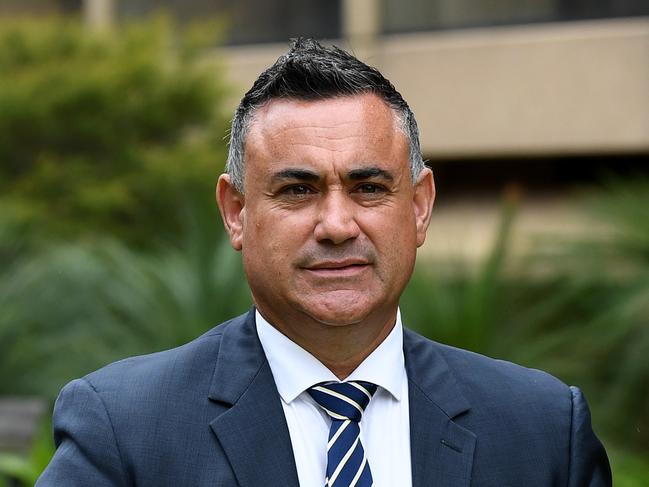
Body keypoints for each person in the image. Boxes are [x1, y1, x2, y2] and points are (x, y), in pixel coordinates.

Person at [37, 38, 611, 487]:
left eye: (368, 188)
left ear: (419, 207)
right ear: (236, 211)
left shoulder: (541, 431)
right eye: (297, 190)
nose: (337, 225)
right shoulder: (125, 429)